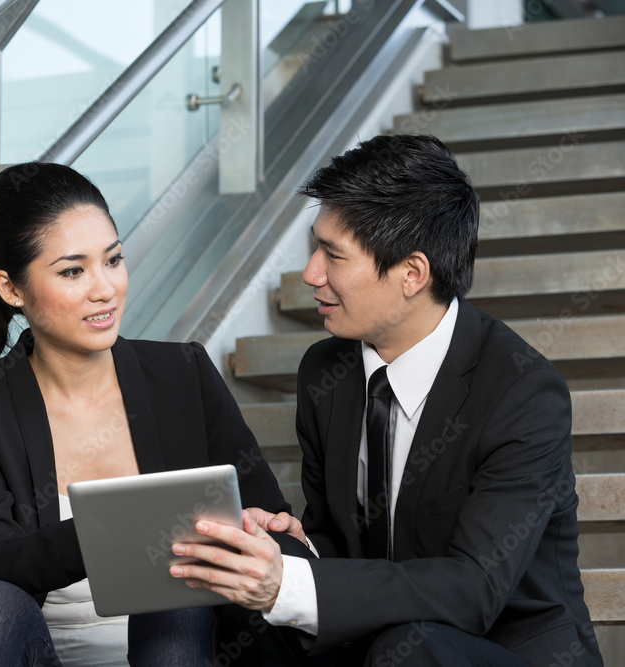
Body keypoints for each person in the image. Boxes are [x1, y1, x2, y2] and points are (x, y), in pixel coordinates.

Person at [170, 134, 603, 666]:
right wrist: (295, 550)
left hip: (495, 648)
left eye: (333, 255)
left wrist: (294, 585)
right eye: (315, 247)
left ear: (412, 274)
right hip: (382, 640)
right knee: (229, 588)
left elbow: (475, 588)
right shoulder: (326, 371)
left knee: (405, 649)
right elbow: (342, 545)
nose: (310, 274)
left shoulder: (522, 393)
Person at [0, 162, 295, 666]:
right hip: (47, 655)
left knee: (172, 598)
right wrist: (134, 528)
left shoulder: (183, 373)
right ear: (12, 289)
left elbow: (275, 524)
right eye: (72, 271)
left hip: (186, 650)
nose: (104, 289)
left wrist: (263, 533)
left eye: (113, 260)